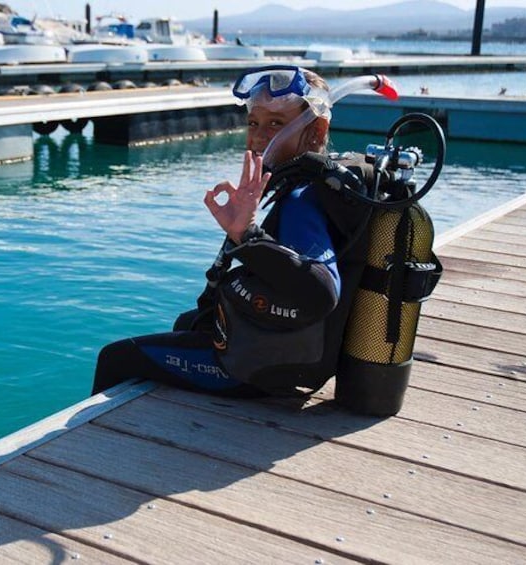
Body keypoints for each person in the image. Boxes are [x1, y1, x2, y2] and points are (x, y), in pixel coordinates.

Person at [92, 65, 360, 398]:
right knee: (188, 322)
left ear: (316, 132)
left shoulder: (300, 199)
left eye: (276, 123)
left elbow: (322, 291)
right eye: (253, 123)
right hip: (285, 353)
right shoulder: (311, 186)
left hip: (256, 368)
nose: (259, 136)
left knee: (116, 358)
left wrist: (246, 235)